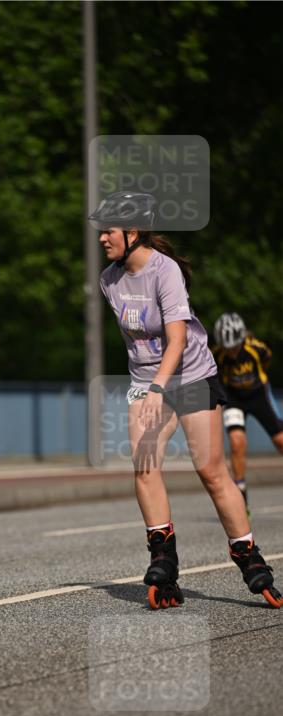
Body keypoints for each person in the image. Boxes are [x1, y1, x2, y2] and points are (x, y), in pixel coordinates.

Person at [88, 191, 282, 609]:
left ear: (133, 232)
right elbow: (135, 338)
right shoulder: (109, 280)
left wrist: (160, 387)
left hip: (191, 374)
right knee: (143, 466)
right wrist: (150, 387)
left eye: (109, 231)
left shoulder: (165, 271)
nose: (102, 238)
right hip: (147, 379)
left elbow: (176, 338)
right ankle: (163, 559)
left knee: (210, 469)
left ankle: (249, 557)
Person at [212, 312, 283, 512]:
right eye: (228, 348)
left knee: (279, 441)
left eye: (235, 346)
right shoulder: (218, 354)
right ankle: (241, 496)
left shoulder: (256, 349)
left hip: (258, 396)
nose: (232, 352)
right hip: (234, 399)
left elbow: (267, 362)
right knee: (237, 442)